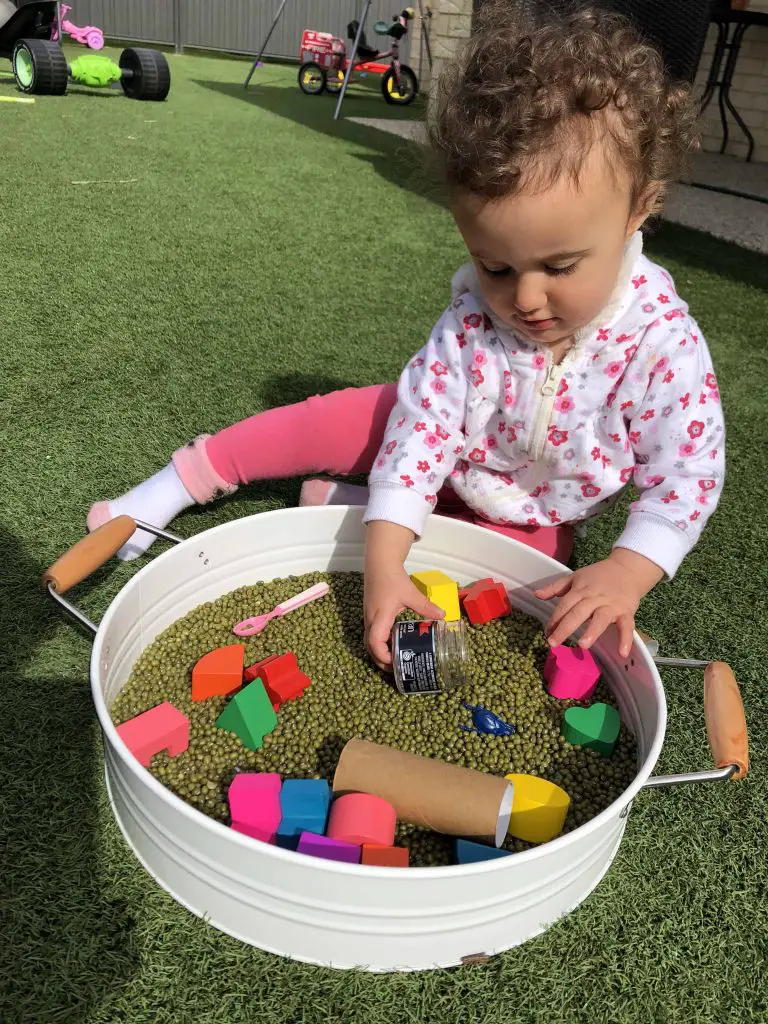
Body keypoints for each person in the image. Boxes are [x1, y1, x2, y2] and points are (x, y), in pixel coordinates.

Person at [87, 4, 724, 672]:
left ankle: (343, 509)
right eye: (495, 266)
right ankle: (180, 482)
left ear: (641, 206)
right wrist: (385, 568)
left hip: (534, 505)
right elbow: (421, 435)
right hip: (448, 446)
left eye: (560, 266)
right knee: (345, 418)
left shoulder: (663, 344)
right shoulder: (477, 316)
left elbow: (687, 476)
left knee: (530, 571)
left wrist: (628, 569)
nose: (526, 300)